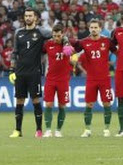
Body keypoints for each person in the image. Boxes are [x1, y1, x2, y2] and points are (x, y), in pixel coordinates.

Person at [8, 8, 50, 138]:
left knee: (35, 100)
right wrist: (11, 70)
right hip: (20, 72)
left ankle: (38, 130)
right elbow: (15, 53)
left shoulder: (41, 32)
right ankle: (17, 130)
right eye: (26, 16)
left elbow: (57, 34)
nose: (28, 18)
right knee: (19, 100)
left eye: (30, 16)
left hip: (34, 72)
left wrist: (65, 42)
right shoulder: (18, 32)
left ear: (35, 18)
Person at [74, 19, 115, 137]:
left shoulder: (107, 41)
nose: (93, 29)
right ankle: (87, 130)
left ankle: (106, 129)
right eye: (91, 27)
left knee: (106, 103)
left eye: (96, 27)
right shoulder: (84, 42)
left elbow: (117, 52)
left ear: (100, 28)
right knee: (89, 104)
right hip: (91, 79)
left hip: (104, 78)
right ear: (89, 29)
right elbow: (73, 50)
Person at [41, 24, 74, 138]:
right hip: (50, 79)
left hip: (63, 80)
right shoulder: (48, 44)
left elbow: (74, 54)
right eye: (54, 35)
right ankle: (48, 130)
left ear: (62, 34)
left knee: (62, 106)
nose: (56, 38)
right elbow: (40, 52)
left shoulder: (68, 44)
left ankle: (58, 130)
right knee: (48, 104)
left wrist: (73, 58)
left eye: (58, 36)